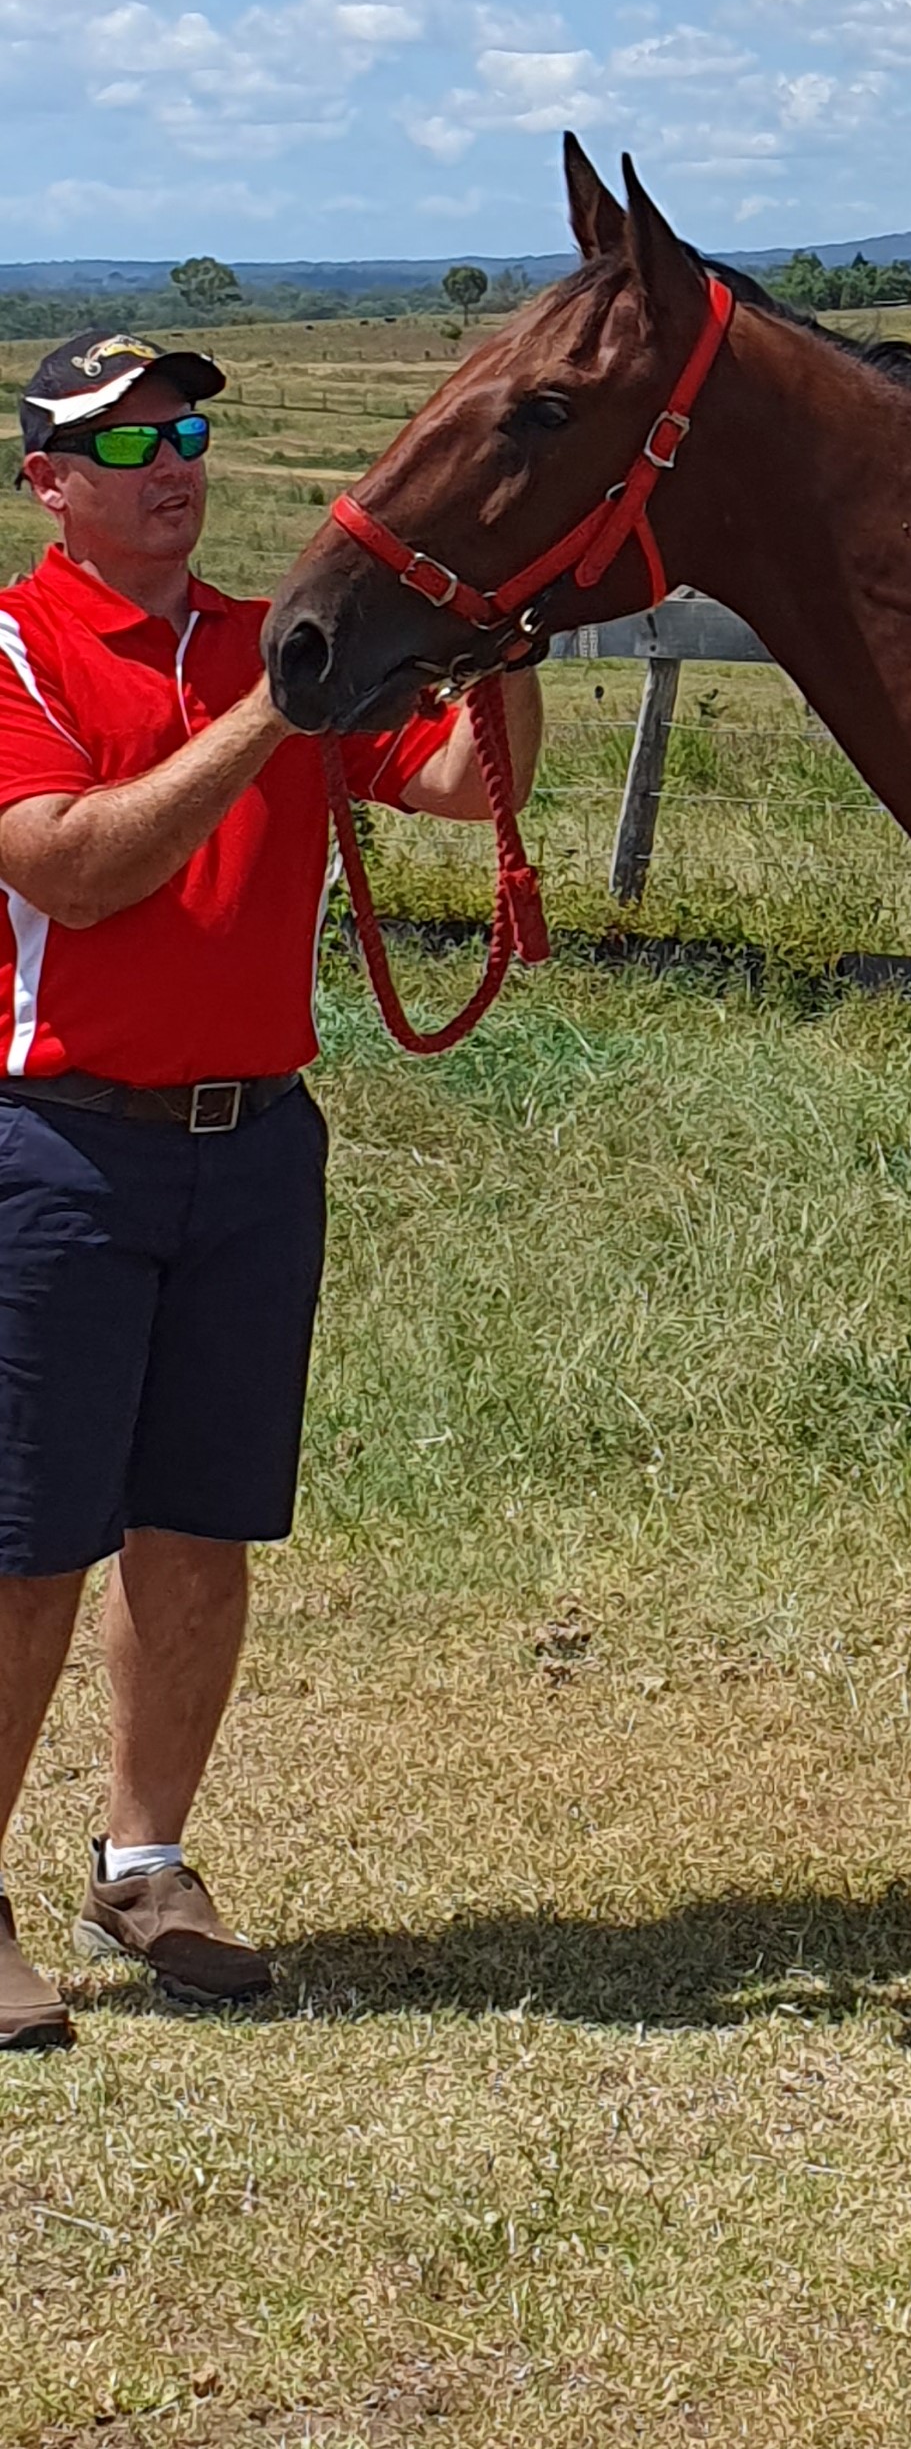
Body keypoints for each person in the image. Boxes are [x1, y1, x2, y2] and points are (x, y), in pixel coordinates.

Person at [0, 328, 541, 2049]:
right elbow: (76, 869)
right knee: (27, 1547)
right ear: (48, 482)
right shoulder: (17, 647)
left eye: (186, 435)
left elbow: (461, 783)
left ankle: (145, 1862)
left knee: (200, 1527)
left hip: (253, 1145)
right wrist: (274, 708)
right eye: (126, 441)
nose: (171, 464)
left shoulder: (274, 639)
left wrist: (502, 649)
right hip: (56, 1144)